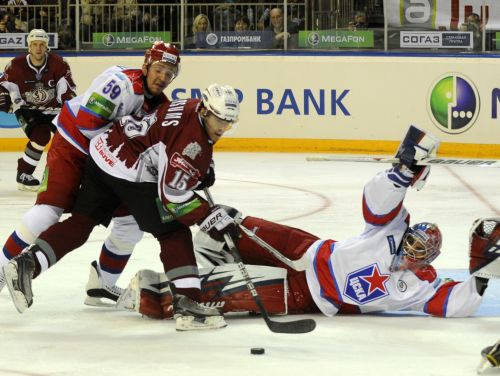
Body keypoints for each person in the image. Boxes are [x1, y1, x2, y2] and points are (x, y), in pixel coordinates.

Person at [118, 126, 498, 320]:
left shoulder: (424, 285)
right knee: (222, 226)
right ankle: (203, 242)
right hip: (305, 246)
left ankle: (147, 293)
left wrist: (481, 273)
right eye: (412, 241)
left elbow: (455, 306)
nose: (410, 248)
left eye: (419, 250)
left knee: (224, 294)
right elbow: (376, 200)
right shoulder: (394, 229)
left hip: (309, 295)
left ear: (429, 259)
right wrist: (401, 173)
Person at [3, 83, 241, 331]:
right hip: (130, 171)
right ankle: (189, 305)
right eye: (218, 120)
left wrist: (203, 169)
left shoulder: (190, 106)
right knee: (173, 232)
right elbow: (172, 195)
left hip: (103, 153)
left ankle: (27, 263)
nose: (223, 127)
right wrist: (207, 215)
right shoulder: (192, 139)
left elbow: (172, 144)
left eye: (228, 122)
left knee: (83, 221)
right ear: (205, 111)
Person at [0, 41, 181, 307]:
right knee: (50, 210)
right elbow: (87, 124)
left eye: (170, 73)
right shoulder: (121, 84)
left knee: (130, 224)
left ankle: (102, 283)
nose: (163, 77)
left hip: (107, 161)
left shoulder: (158, 105)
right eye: (159, 69)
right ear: (146, 65)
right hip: (74, 146)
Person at [0, 29, 76, 190]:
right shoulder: (15, 65)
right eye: (34, 44)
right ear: (29, 46)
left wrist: (67, 101)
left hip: (54, 110)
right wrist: (3, 97)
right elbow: (2, 85)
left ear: (47, 46)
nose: (38, 48)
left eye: (42, 44)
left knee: (67, 139)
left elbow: (67, 87)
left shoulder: (59, 63)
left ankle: (65, 175)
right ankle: (24, 174)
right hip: (27, 109)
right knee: (41, 136)